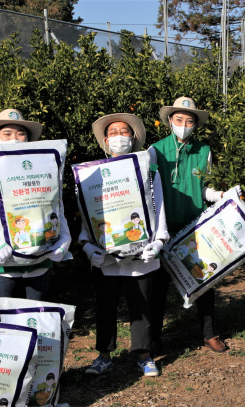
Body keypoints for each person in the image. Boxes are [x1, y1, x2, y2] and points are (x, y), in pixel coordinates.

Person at [80, 113, 169, 377]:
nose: (120, 136)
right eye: (114, 132)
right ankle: (104, 355)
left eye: (125, 131)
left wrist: (159, 241)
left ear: (134, 138)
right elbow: (88, 213)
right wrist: (87, 245)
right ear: (106, 141)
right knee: (105, 303)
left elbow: (159, 207)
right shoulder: (91, 174)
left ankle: (143, 354)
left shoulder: (149, 172)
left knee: (142, 305)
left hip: (142, 251)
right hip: (106, 254)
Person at [148, 97, 232, 353]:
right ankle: (153, 339)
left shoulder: (203, 151)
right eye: (179, 120)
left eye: (189, 121)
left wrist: (219, 195)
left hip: (194, 225)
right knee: (157, 287)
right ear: (170, 121)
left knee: (203, 280)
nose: (184, 124)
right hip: (163, 227)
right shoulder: (155, 150)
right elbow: (149, 188)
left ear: (195, 124)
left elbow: (204, 188)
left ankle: (209, 333)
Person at [0, 109, 71, 300]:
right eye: (7, 134)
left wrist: (64, 238)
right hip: (0, 264)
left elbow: (55, 205)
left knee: (35, 318)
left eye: (21, 133)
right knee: (4, 324)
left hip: (39, 259)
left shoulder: (43, 167)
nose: (15, 138)